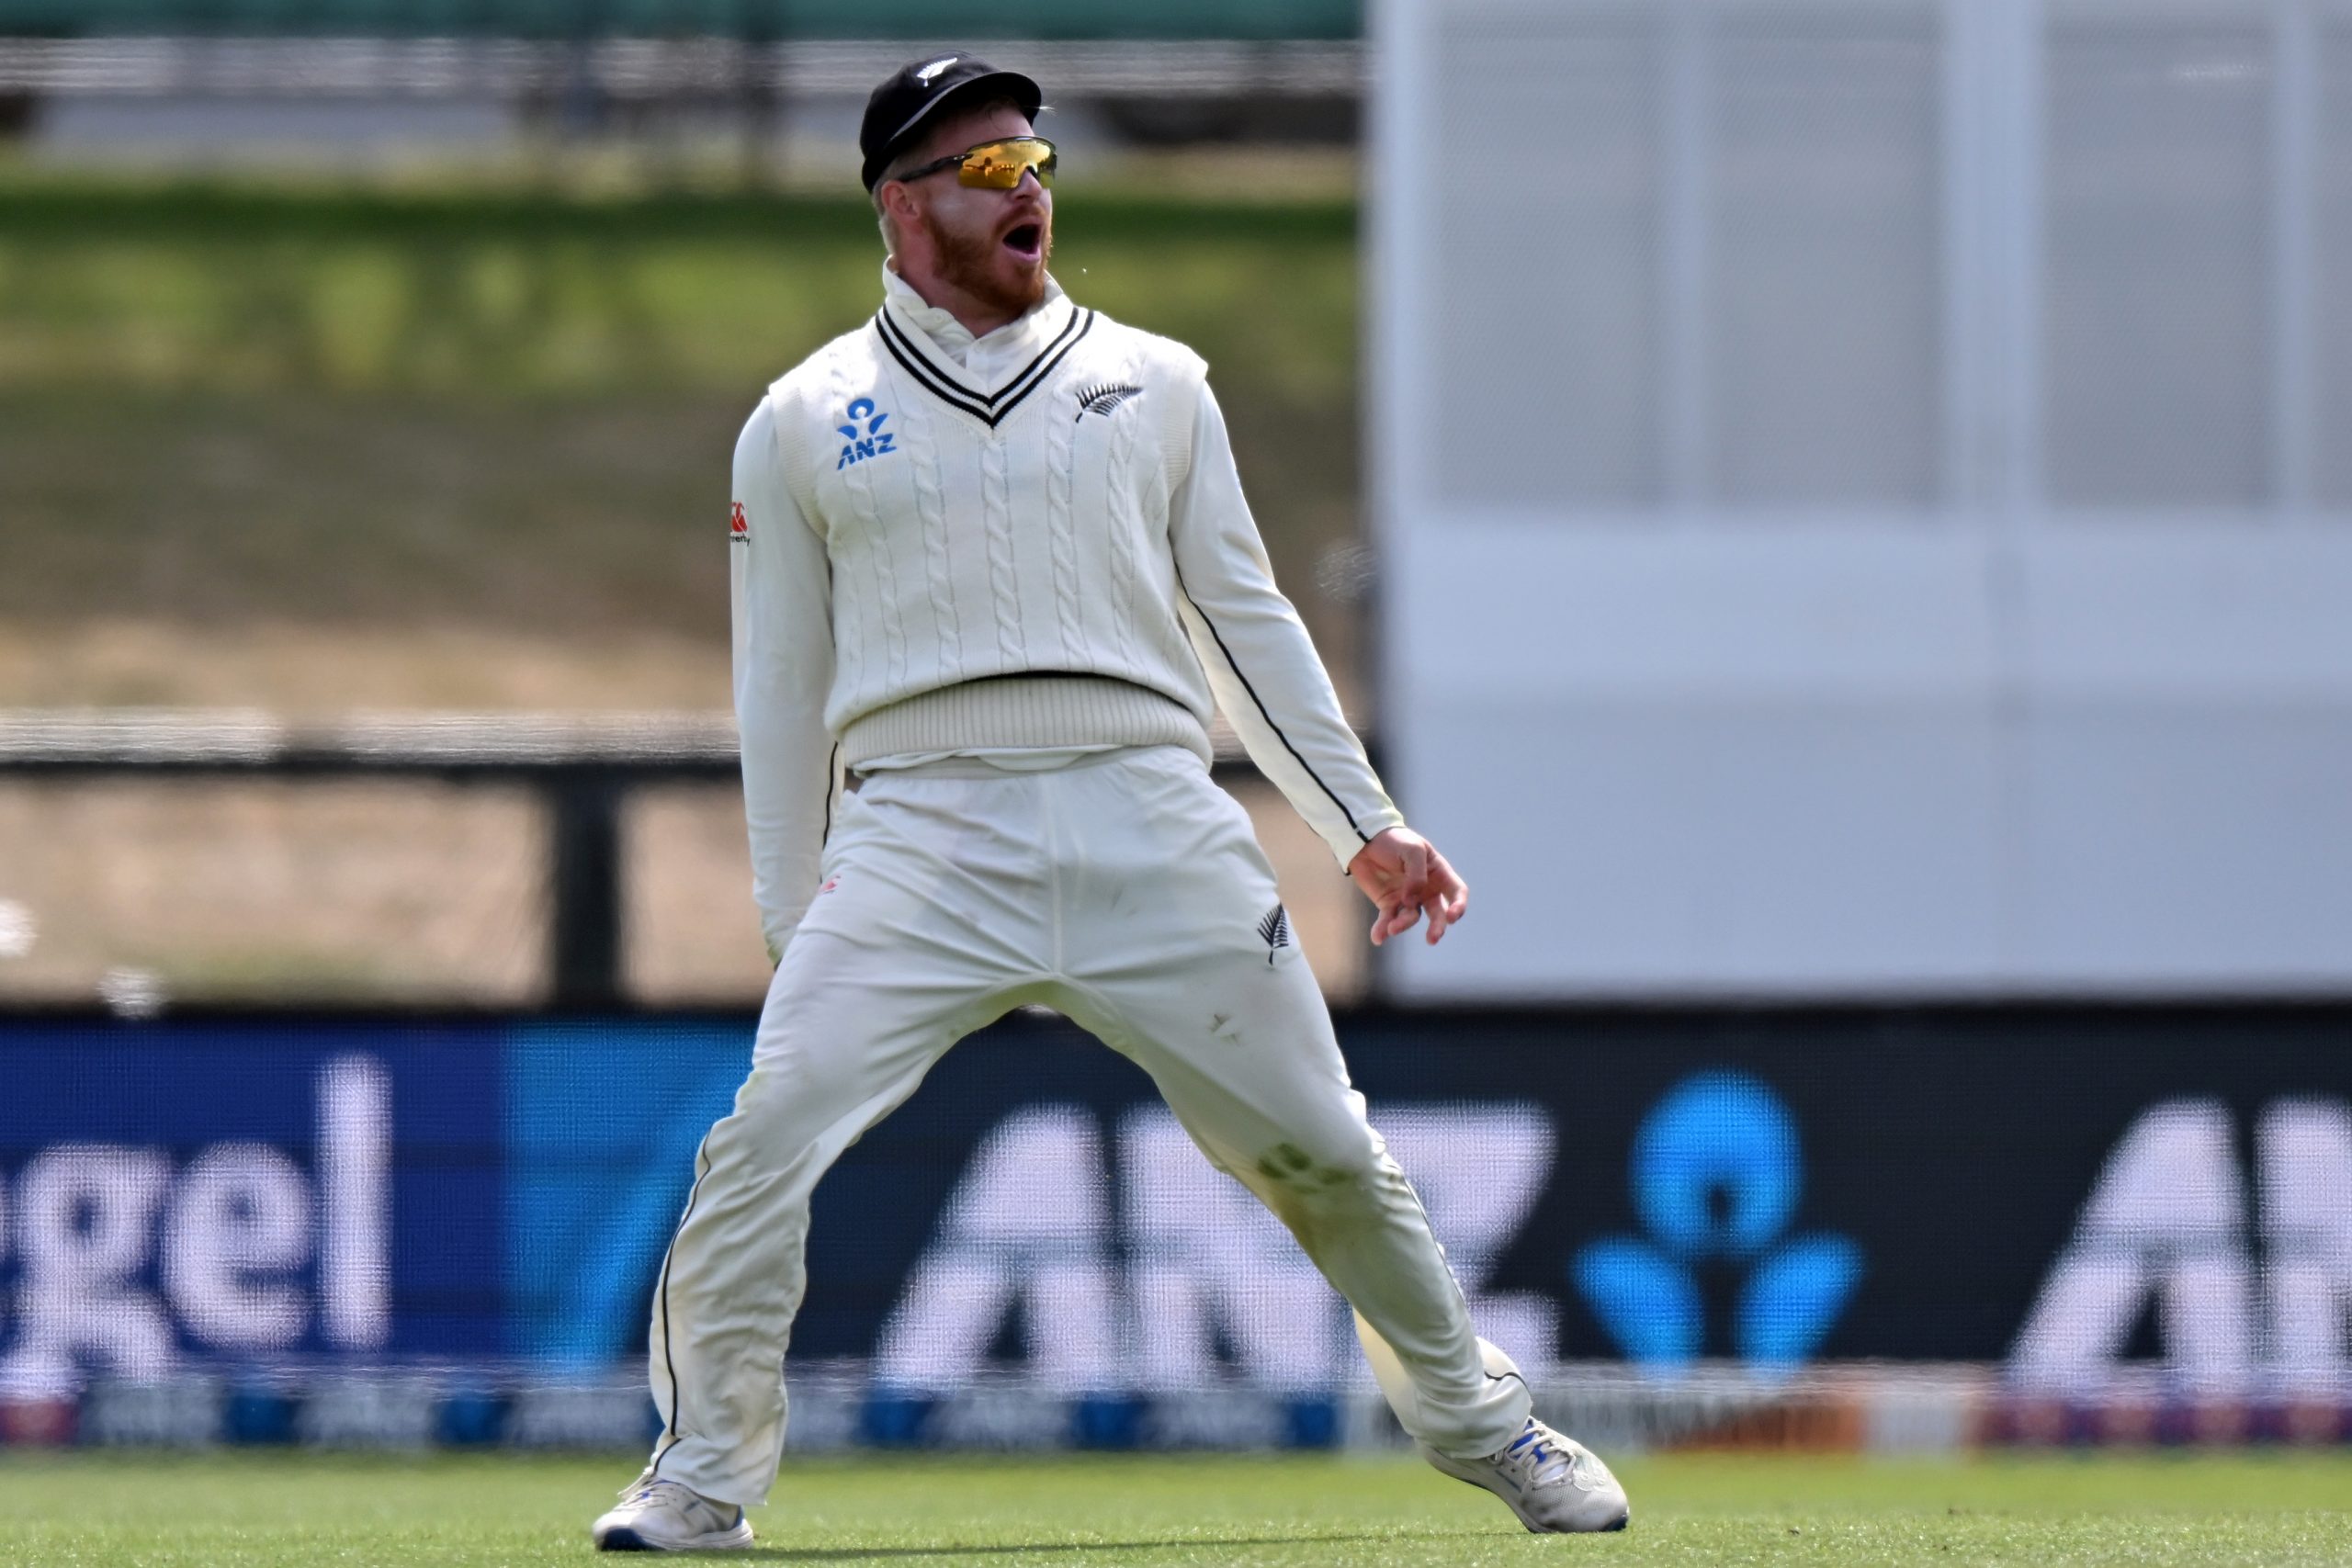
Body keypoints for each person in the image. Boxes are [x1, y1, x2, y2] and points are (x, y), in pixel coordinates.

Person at [590, 51, 1629, 1551]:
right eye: (990, 171)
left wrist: (1363, 825)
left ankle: (1487, 1423)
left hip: (1150, 813)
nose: (1031, 193)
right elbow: (780, 695)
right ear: (901, 206)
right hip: (922, 831)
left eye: (1039, 165)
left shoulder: (1156, 383)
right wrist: (790, 914)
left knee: (1324, 1154)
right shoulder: (803, 419)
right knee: (765, 1143)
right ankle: (700, 1477)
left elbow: (1245, 625)